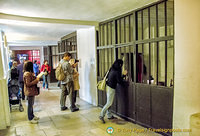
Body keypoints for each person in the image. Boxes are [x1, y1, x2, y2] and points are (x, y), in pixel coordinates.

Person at [99, 59, 128, 123]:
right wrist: (124, 75)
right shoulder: (117, 71)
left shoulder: (111, 68)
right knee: (109, 103)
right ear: (120, 65)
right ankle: (101, 115)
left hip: (108, 86)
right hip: (111, 88)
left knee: (109, 102)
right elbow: (119, 81)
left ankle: (109, 115)